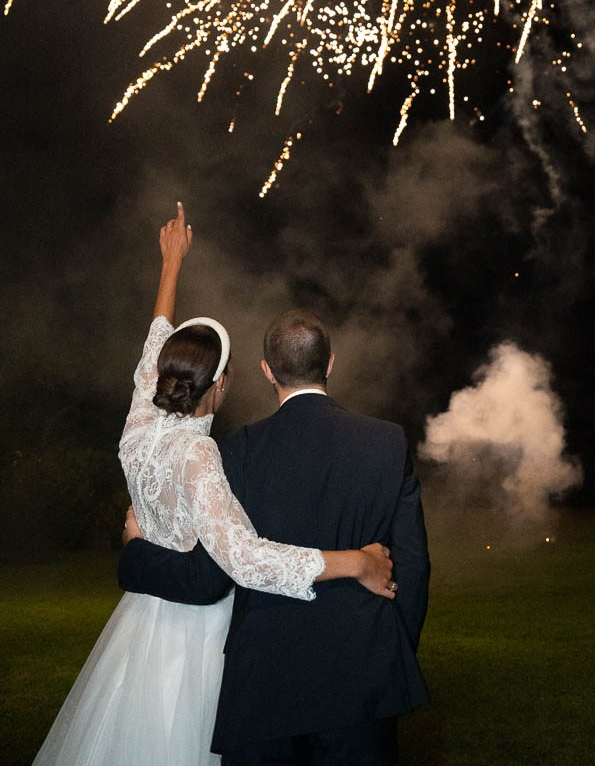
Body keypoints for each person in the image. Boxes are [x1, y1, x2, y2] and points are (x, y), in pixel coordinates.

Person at [33, 203, 395, 766]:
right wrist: (356, 563)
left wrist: (170, 264)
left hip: (140, 624)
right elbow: (244, 561)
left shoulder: (138, 426)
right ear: (222, 383)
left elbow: (155, 342)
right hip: (197, 639)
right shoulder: (201, 453)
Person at [120, 303, 430, 766]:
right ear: (330, 363)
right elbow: (414, 566)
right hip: (364, 676)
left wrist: (135, 553)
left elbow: (209, 578)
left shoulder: (237, 450)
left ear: (267, 371)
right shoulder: (387, 441)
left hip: (264, 683)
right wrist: (390, 652)